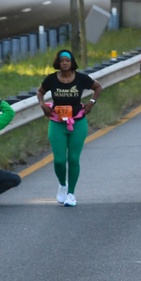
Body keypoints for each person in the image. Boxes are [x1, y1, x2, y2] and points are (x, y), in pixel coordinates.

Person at [37, 49, 102, 207]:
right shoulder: (52, 79)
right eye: (62, 60)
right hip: (57, 122)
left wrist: (91, 104)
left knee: (73, 158)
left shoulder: (80, 78)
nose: (64, 62)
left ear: (72, 62)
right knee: (59, 160)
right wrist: (42, 104)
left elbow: (98, 87)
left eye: (67, 60)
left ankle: (71, 194)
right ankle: (62, 185)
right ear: (58, 63)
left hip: (77, 122)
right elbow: (40, 91)